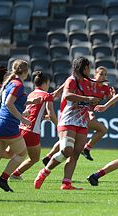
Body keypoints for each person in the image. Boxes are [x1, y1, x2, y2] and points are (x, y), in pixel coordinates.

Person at [34, 57, 100, 190]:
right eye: (87, 67)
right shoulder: (71, 80)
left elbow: (86, 102)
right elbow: (67, 95)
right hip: (68, 120)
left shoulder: (87, 82)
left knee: (75, 153)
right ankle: (44, 172)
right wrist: (88, 98)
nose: (89, 70)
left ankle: (66, 183)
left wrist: (93, 102)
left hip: (82, 121)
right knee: (67, 150)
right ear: (81, 68)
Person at [41, 66, 115, 164]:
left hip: (85, 114)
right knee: (102, 129)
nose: (103, 76)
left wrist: (113, 98)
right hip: (80, 113)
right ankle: (86, 148)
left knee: (70, 138)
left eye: (105, 74)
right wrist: (58, 92)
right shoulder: (88, 82)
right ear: (95, 74)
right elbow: (70, 81)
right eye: (101, 74)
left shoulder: (105, 88)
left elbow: (111, 104)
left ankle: (49, 156)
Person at [0, 59, 41, 192]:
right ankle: (3, 179)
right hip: (7, 124)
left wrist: (29, 102)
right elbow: (9, 103)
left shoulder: (9, 82)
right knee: (22, 153)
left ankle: (3, 180)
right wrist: (22, 118)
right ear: (25, 71)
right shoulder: (18, 85)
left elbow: (4, 101)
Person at [9, 71, 57, 180]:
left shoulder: (31, 93)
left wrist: (43, 118)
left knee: (9, 153)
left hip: (21, 127)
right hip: (31, 130)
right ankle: (14, 174)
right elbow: (51, 113)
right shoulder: (47, 95)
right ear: (45, 83)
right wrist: (58, 126)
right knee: (34, 158)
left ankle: (11, 172)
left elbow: (33, 112)